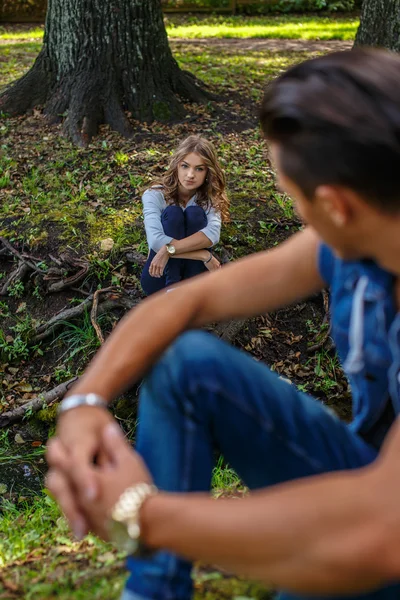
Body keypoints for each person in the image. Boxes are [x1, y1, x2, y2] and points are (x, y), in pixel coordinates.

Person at [47, 48, 400, 600]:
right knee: (185, 357)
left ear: (337, 206)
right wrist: (83, 403)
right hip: (366, 474)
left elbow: (378, 536)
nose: (298, 216)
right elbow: (178, 306)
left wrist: (136, 513)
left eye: (294, 199)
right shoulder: (361, 232)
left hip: (381, 524)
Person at [140, 135, 228, 295]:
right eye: (185, 166)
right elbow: (155, 240)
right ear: (176, 166)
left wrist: (168, 250)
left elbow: (212, 235)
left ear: (208, 171)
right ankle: (172, 290)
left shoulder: (210, 200)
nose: (190, 175)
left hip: (196, 278)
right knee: (173, 213)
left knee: (195, 214)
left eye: (199, 168)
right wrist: (203, 255)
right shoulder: (155, 194)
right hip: (158, 276)